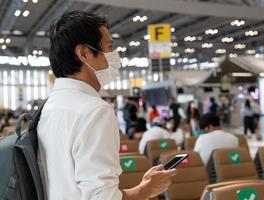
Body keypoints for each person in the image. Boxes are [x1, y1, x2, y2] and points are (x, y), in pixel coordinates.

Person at [37, 11, 176, 200]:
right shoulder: (94, 111)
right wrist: (147, 189)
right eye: (109, 47)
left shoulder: (49, 107)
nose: (114, 55)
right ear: (84, 53)